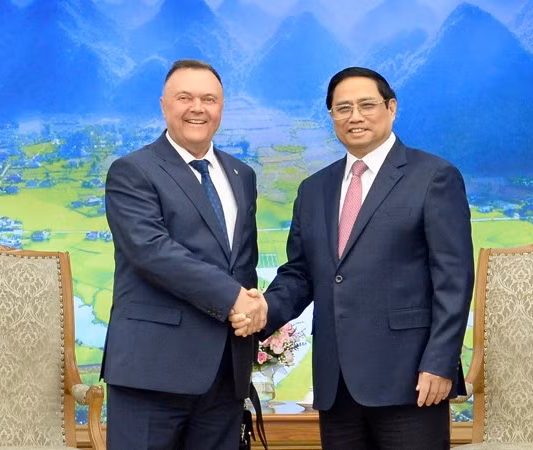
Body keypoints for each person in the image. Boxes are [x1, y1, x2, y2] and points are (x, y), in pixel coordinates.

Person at [234, 67, 474, 449]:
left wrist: (440, 362)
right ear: (331, 116)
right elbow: (300, 274)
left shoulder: (434, 177)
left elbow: (454, 279)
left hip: (411, 380)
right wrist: (262, 309)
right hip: (337, 384)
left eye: (366, 105)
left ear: (391, 108)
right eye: (342, 108)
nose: (355, 116)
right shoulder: (314, 189)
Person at [101, 59, 267, 450]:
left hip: (225, 375)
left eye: (209, 99)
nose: (198, 107)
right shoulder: (132, 171)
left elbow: (243, 264)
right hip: (151, 372)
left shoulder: (243, 175)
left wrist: (255, 308)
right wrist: (234, 299)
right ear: (164, 105)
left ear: (221, 108)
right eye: (185, 97)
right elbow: (152, 252)